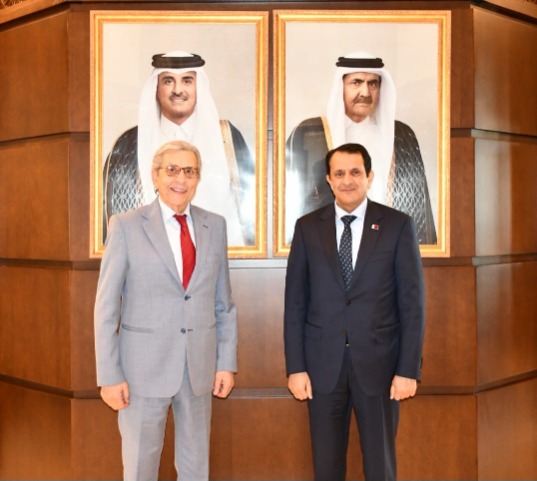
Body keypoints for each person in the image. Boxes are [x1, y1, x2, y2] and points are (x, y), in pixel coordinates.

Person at [94, 140, 238, 481]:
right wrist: (109, 376)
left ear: (197, 178)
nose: (180, 179)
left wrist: (225, 362)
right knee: (140, 468)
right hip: (141, 371)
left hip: (199, 368)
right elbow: (106, 308)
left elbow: (224, 303)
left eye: (189, 171)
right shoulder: (126, 225)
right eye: (172, 170)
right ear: (155, 176)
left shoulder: (214, 225)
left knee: (195, 468)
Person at [284, 143, 425, 481]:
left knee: (380, 466)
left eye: (355, 172)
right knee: (326, 466)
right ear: (329, 180)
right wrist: (296, 367)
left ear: (369, 176)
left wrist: (408, 369)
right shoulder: (307, 228)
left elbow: (412, 303)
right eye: (339, 173)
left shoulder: (397, 225)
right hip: (322, 368)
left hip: (380, 367)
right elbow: (295, 304)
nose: (347, 180)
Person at [104, 50, 255, 246]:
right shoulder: (128, 143)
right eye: (168, 81)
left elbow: (251, 214)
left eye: (187, 81)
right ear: (156, 89)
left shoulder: (227, 138)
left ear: (198, 87)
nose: (177, 90)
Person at [286, 51, 437, 245]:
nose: (365, 92)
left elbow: (418, 201)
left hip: (388, 248)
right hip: (326, 248)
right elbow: (296, 200)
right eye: (356, 83)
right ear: (341, 86)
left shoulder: (401, 135)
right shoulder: (310, 133)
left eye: (373, 84)